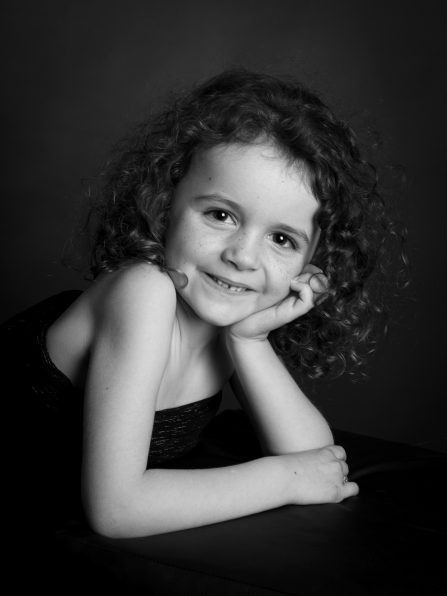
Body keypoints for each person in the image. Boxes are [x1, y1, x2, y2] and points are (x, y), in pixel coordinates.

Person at [4, 69, 403, 539]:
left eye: (281, 239)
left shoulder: (228, 321)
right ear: (166, 203)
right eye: (220, 215)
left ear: (311, 262)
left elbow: (316, 458)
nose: (242, 256)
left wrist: (249, 341)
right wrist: (282, 481)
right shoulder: (144, 291)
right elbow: (116, 510)